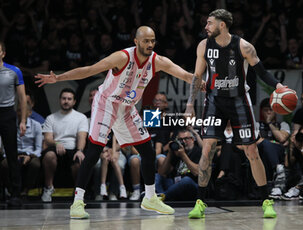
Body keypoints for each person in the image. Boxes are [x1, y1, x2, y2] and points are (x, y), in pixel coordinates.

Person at [35, 26, 194, 219]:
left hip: (127, 108)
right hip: (106, 104)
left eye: (153, 41)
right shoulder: (122, 57)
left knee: (148, 151)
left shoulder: (157, 61)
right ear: (136, 42)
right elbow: (90, 70)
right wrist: (59, 78)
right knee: (93, 151)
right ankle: (77, 202)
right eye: (146, 41)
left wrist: (203, 82)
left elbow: (185, 75)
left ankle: (150, 198)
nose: (150, 44)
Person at [185, 9, 288, 219]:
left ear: (222, 25)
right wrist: (189, 104)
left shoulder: (243, 46)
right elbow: (197, 76)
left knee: (251, 150)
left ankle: (266, 200)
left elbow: (262, 72)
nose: (206, 27)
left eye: (210, 23)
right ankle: (200, 201)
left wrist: (279, 86)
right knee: (207, 149)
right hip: (214, 100)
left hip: (239, 100)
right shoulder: (203, 45)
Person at [41, 88, 89, 202]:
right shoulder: (51, 118)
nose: (66, 101)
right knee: (49, 156)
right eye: (64, 98)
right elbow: (47, 139)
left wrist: (80, 150)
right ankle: (48, 188)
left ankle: (78, 193)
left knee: (80, 159)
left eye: (69, 99)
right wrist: (57, 143)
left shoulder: (81, 117)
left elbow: (82, 136)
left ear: (74, 102)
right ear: (60, 100)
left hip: (73, 148)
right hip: (55, 147)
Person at [0, 41, 27, 207]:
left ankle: (16, 193)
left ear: (3, 53)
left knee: (11, 154)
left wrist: (23, 120)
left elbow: (22, 98)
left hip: (7, 113)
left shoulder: (14, 71)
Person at [157, 129, 201, 201]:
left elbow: (197, 172)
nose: (183, 142)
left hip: (192, 186)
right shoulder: (177, 152)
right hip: (175, 185)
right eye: (180, 139)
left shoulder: (198, 151)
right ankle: (160, 196)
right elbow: (162, 172)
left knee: (186, 180)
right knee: (157, 176)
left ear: (192, 139)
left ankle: (163, 196)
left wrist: (183, 155)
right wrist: (170, 154)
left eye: (186, 139)